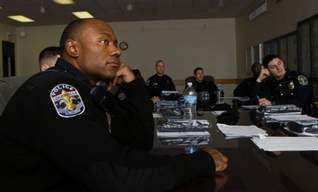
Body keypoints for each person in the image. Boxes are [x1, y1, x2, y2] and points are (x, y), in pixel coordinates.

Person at [0, 18, 228, 191]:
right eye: (104, 42)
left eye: (116, 44)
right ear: (73, 49)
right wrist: (198, 162)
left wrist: (134, 84)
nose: (116, 50)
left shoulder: (90, 90)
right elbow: (114, 178)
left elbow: (138, 142)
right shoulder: (59, 88)